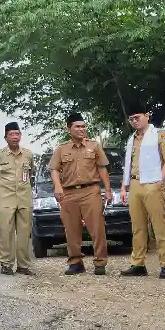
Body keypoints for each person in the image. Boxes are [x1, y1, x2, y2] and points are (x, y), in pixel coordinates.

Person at [50, 113, 111, 275]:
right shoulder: (61, 149)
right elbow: (54, 169)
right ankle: (76, 262)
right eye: (77, 126)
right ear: (68, 128)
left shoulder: (94, 146)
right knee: (71, 229)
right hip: (68, 193)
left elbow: (102, 168)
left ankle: (100, 262)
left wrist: (108, 190)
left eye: (83, 126)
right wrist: (57, 187)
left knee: (97, 228)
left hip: (91, 191)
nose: (81, 129)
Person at [119, 102, 165, 279]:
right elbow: (128, 165)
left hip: (153, 183)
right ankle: (138, 263)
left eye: (138, 117)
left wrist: (160, 181)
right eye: (131, 119)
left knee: (159, 225)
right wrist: (123, 187)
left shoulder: (160, 135)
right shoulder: (131, 139)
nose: (135, 121)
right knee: (137, 227)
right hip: (135, 183)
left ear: (147, 116)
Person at [0, 121, 35, 275]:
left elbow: (31, 172)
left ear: (20, 135)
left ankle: (23, 265)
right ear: (6, 137)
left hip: (24, 198)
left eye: (17, 134)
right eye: (11, 134)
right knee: (6, 232)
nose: (15, 137)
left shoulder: (28, 154)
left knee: (24, 233)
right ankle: (6, 264)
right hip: (5, 199)